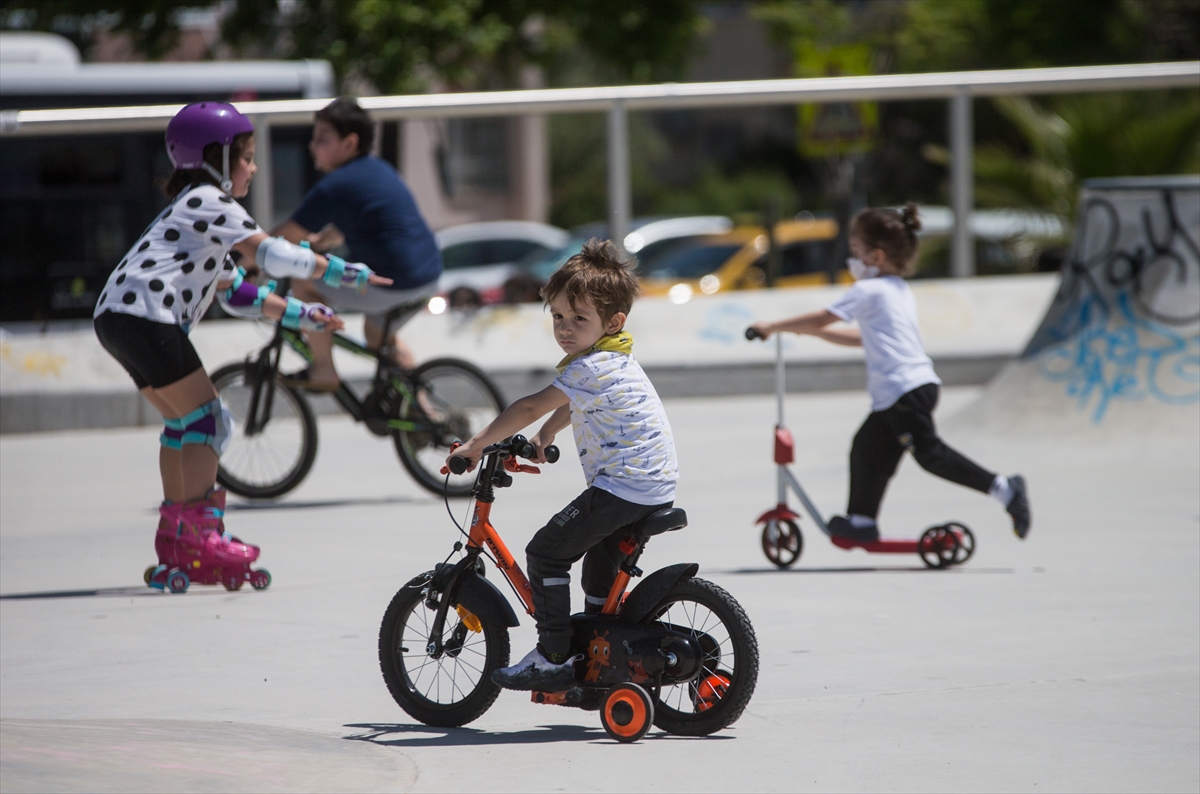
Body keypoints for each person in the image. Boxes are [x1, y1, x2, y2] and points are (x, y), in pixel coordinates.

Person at [92, 101, 390, 590]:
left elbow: (237, 293)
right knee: (209, 419)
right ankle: (202, 538)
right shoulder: (210, 201)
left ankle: (176, 538)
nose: (253, 167)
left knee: (182, 422)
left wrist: (305, 313)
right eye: (247, 157)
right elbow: (271, 254)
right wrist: (342, 271)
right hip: (146, 316)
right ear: (218, 159)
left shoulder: (193, 212)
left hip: (119, 318)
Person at [449, 239, 679, 692]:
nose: (565, 329)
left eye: (578, 319)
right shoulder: (614, 358)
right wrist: (549, 434)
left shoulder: (590, 367)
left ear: (613, 321)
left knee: (546, 553)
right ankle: (600, 655)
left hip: (624, 487)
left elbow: (529, 405)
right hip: (651, 484)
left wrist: (476, 445)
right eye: (557, 316)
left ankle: (554, 656)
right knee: (598, 568)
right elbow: (572, 405)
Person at [749, 203, 1031, 543]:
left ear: (876, 257)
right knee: (867, 448)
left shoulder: (869, 290)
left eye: (856, 251)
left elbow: (823, 317)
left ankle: (1005, 489)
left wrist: (773, 326)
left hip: (904, 391)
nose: (851, 260)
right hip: (906, 390)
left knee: (931, 455)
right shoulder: (897, 289)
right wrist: (812, 332)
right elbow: (863, 339)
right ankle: (862, 522)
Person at [272, 97, 443, 390]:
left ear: (350, 143)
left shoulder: (335, 185)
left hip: (394, 284)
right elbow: (346, 227)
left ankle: (323, 370)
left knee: (303, 281)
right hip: (428, 276)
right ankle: (424, 411)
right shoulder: (377, 169)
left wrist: (243, 262)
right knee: (377, 338)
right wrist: (319, 243)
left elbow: (283, 236)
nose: (313, 146)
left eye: (322, 139)